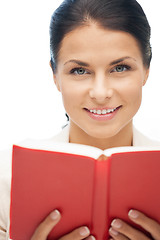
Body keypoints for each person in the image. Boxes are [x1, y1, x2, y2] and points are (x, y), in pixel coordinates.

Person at [0, 0, 160, 239]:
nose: (100, 93)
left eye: (120, 68)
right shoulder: (8, 180)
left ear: (146, 70)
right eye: (79, 71)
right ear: (55, 76)